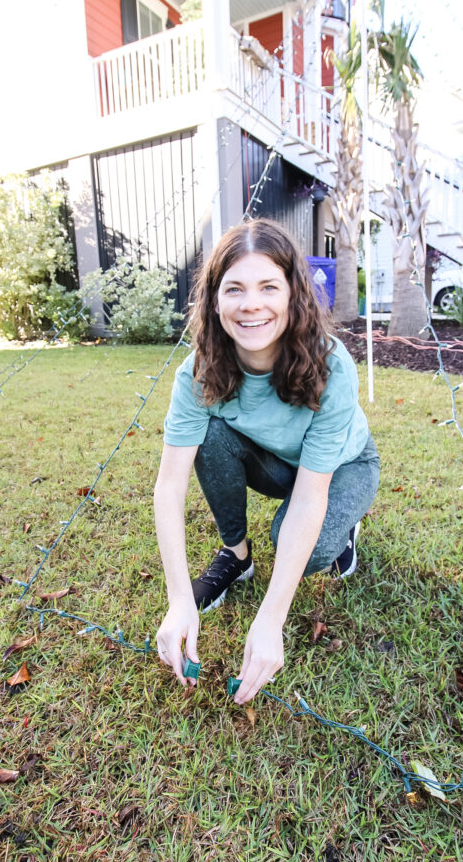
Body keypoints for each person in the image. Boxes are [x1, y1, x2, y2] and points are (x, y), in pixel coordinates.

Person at [154, 218, 379, 705]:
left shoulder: (332, 366)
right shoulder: (199, 373)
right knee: (211, 433)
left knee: (302, 545)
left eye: (268, 287)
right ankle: (236, 556)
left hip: (342, 467)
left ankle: (344, 529)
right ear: (214, 300)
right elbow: (169, 486)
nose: (251, 304)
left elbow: (311, 492)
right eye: (234, 288)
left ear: (293, 293)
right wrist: (178, 602)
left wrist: (270, 620)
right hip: (277, 461)